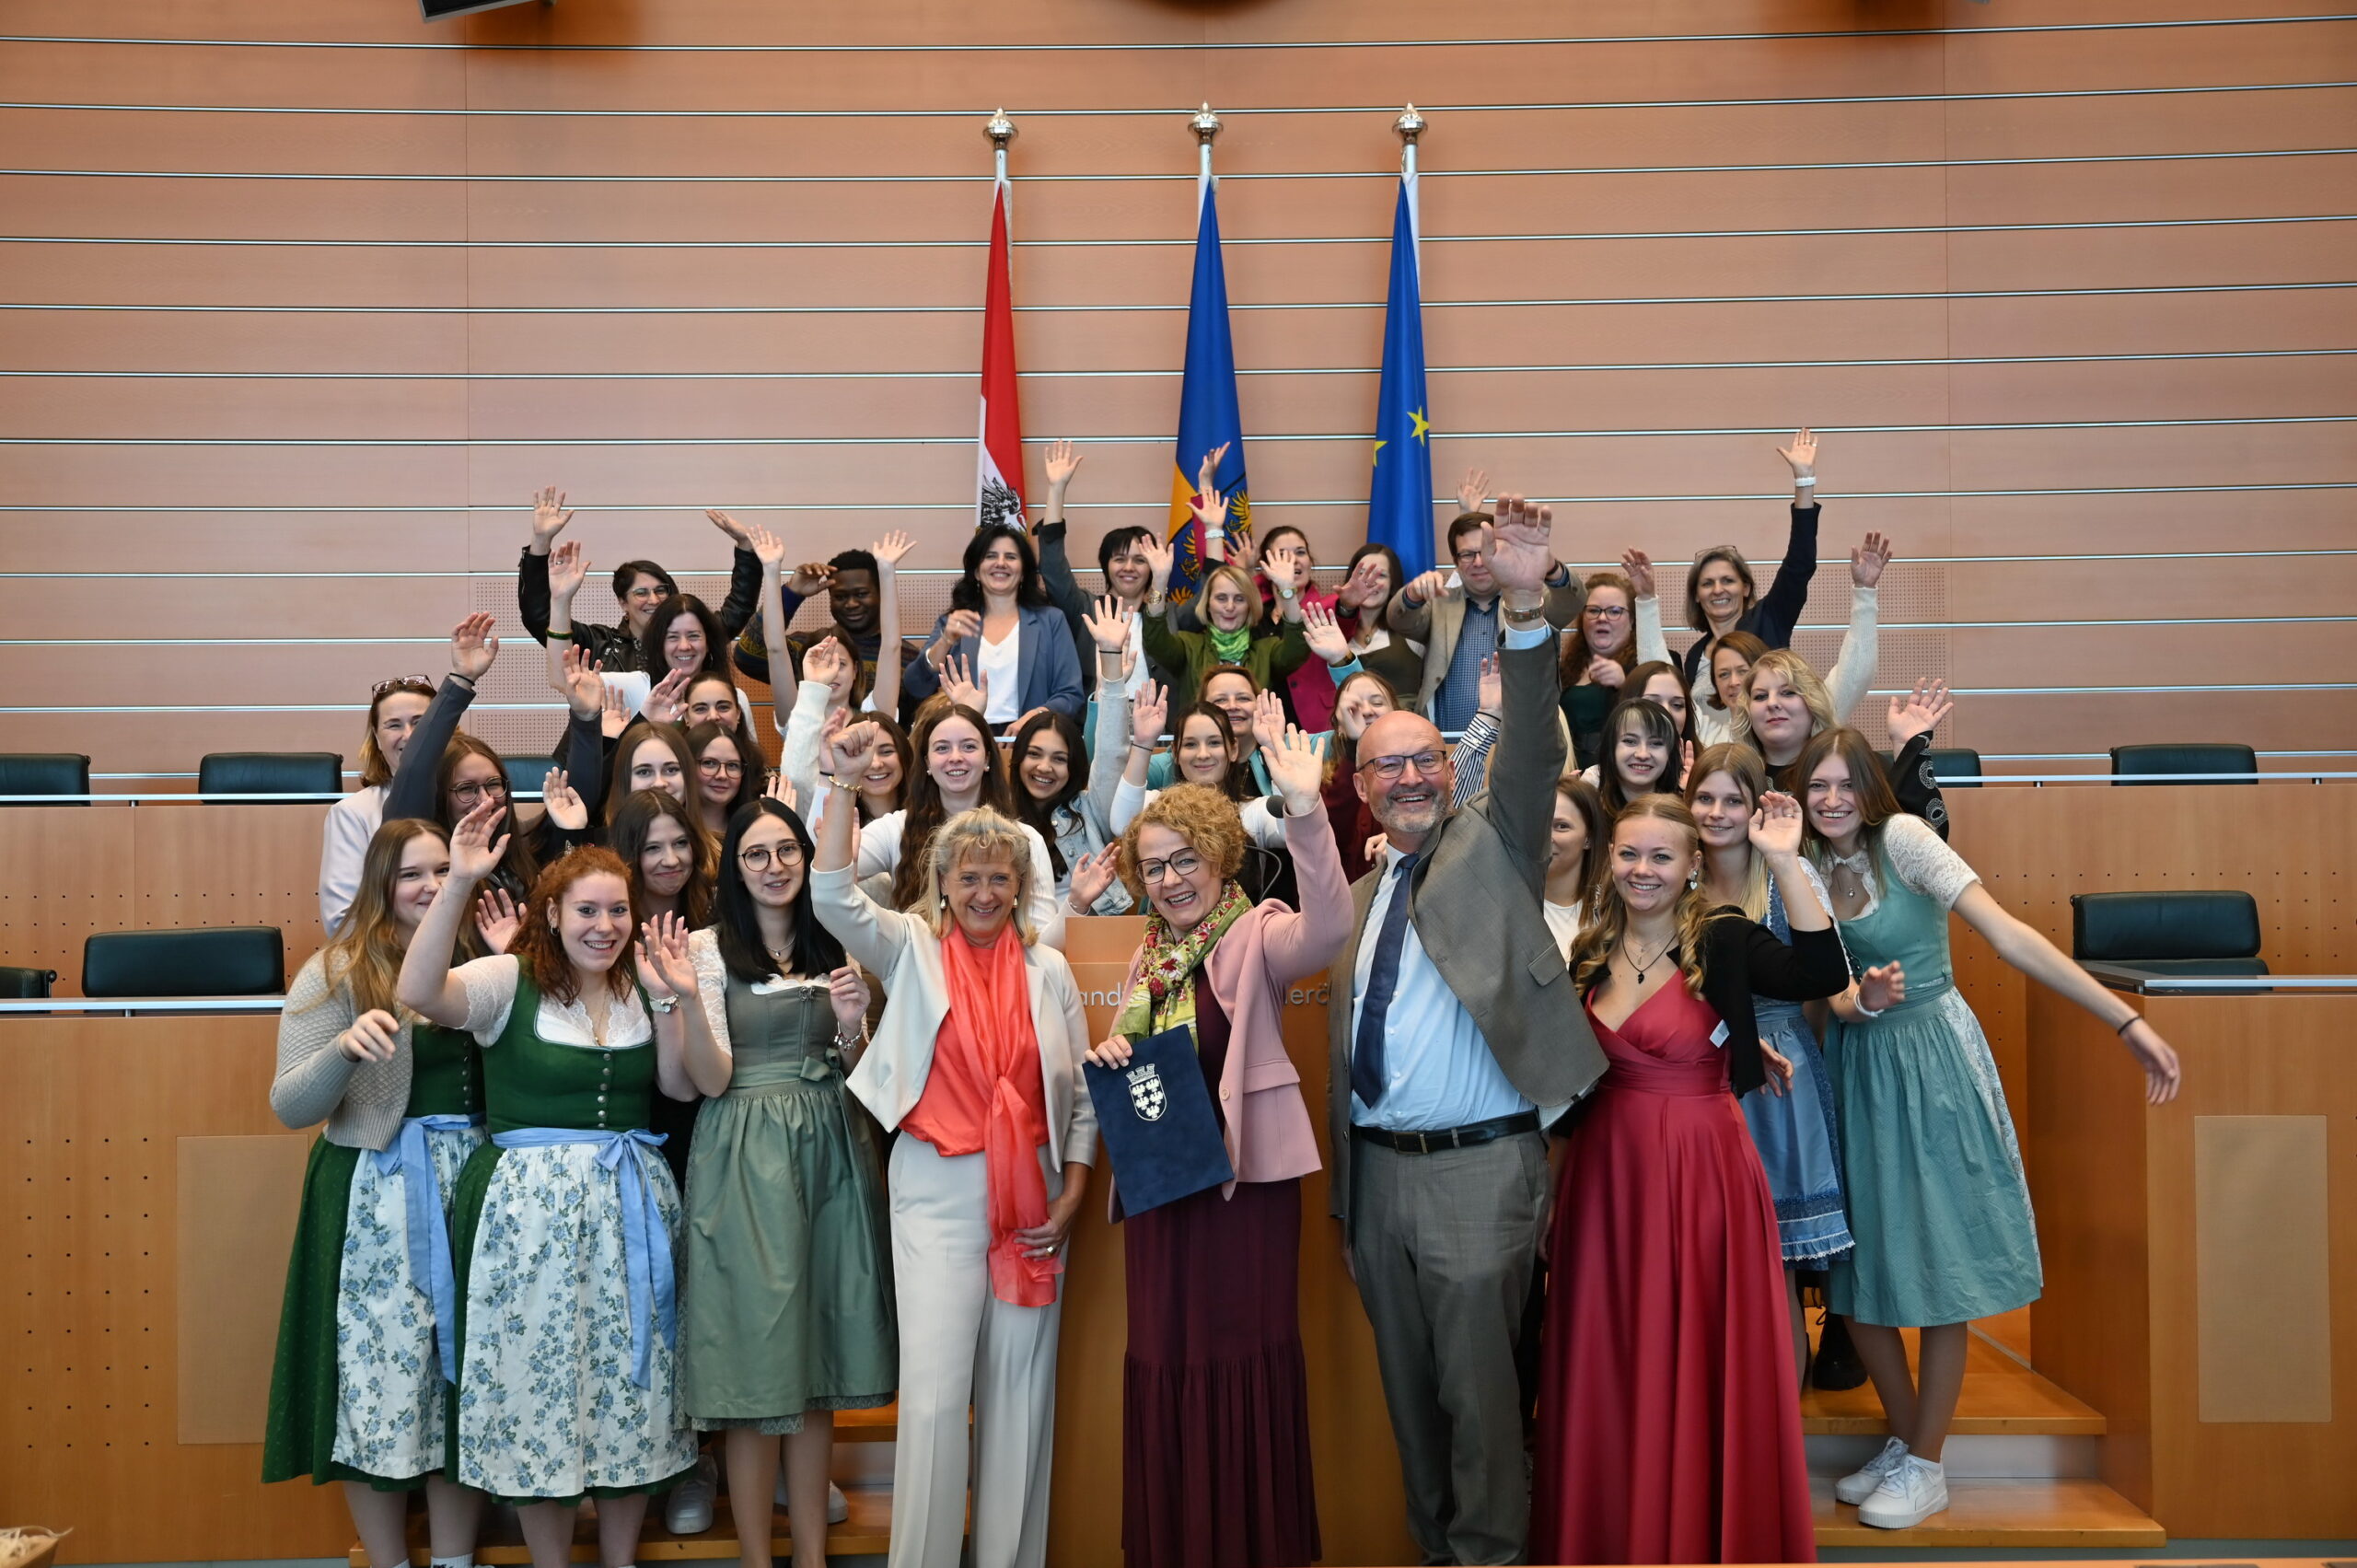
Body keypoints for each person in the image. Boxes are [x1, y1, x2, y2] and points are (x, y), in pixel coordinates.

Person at [1796, 726, 2183, 1529]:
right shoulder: (1801, 862)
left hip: (1934, 1063)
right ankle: (1910, 1443)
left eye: (1842, 784)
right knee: (1859, 1281)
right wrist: (1851, 1003)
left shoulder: (1904, 838)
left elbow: (2008, 935)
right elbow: (1820, 990)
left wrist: (2125, 1022)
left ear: (1869, 788)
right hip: (1859, 1071)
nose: (1829, 800)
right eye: (1815, 786)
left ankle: (1928, 1460)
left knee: (1940, 1267)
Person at [1330, 497, 1607, 1565]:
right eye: (1385, 766)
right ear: (1360, 788)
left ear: (1450, 771)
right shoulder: (1361, 893)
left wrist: (1528, 610)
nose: (1405, 778)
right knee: (1415, 1420)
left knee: (1486, 1419)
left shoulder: (1492, 847)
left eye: (1423, 762)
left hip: (1479, 1179)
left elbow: (1530, 746)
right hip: (1377, 1186)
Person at [1533, 794, 1853, 1565]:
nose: (1644, 870)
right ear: (1609, 858)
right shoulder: (1585, 948)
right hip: (1606, 1180)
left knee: (1704, 1356)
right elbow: (1568, 1088)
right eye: (1630, 853)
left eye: (1662, 856)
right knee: (1609, 1366)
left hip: (1705, 1178)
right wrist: (1551, 1194)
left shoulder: (1725, 936)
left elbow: (1820, 968)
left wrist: (1781, 858)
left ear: (1691, 866)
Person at [808, 729, 1097, 1568]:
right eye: (966, 876)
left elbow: (1078, 1097)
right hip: (934, 1187)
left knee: (1019, 1396)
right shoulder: (910, 946)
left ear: (1019, 887)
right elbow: (830, 893)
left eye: (997, 878)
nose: (981, 891)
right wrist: (841, 784)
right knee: (934, 1403)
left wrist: (1074, 1192)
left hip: (1036, 1196)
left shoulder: (1051, 972)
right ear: (939, 884)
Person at [396, 814, 705, 1568]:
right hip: (528, 1221)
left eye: (618, 910)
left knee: (632, 1392)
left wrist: (674, 1003)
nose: (605, 926)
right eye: (588, 910)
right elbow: (418, 989)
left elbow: (674, 1085)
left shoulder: (642, 986)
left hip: (629, 1207)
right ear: (553, 915)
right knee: (539, 1392)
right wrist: (461, 878)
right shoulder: (510, 981)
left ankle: (620, 1558)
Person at [1080, 725, 1345, 1568]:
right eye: (1153, 866)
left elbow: (1329, 930)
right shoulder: (1147, 960)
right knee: (1164, 1359)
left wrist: (1304, 810)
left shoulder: (1256, 932)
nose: (1169, 879)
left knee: (1240, 1362)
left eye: (1184, 859)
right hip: (1164, 1194)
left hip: (1244, 1195)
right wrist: (1112, 1052)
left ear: (1221, 857)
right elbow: (1141, 1067)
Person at [678, 799, 896, 1568]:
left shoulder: (836, 938)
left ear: (808, 858)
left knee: (817, 1361)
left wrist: (850, 1020)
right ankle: (754, 1557)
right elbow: (705, 1081)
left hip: (833, 1149)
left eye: (787, 851)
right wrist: (679, 999)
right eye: (756, 855)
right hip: (742, 1151)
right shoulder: (704, 950)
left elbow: (863, 1070)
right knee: (754, 1361)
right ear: (734, 868)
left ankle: (810, 1555)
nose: (774, 867)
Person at [265, 819, 486, 1568]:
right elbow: (291, 1103)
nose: (428, 886)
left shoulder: (488, 958)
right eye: (412, 874)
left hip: (471, 1194)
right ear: (381, 884)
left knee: (460, 1378)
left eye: (439, 870)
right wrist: (340, 1048)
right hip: (374, 1192)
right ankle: (389, 1560)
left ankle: (455, 1559)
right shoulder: (334, 970)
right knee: (377, 1382)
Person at [1688, 744, 1875, 1373]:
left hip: (1779, 1083)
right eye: (1704, 797)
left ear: (1754, 808)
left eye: (1732, 799)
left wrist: (1785, 856)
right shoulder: (1675, 876)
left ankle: (1780, 1445)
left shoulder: (1782, 877)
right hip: (1696, 1073)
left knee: (1777, 1278)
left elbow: (1827, 981)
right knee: (1709, 1272)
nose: (1716, 812)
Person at [839, 702, 1063, 948]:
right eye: (942, 748)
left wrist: (1076, 905)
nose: (956, 757)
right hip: (920, 979)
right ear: (926, 762)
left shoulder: (1025, 838)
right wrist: (838, 774)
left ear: (987, 757)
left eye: (968, 746)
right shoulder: (896, 829)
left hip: (1001, 979)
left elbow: (1040, 943)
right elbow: (827, 881)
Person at [1385, 505, 1586, 732]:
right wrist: (1412, 595)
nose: (1479, 562)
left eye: (1484, 551)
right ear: (1455, 561)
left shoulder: (1527, 601)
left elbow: (1572, 601)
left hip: (1514, 742)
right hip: (1447, 743)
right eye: (1467, 555)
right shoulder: (1439, 603)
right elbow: (1398, 620)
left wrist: (1551, 568)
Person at [519, 487, 762, 673]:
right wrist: (540, 543)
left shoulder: (692, 639)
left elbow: (739, 607)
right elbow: (539, 618)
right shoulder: (599, 644)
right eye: (641, 592)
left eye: (660, 590)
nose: (653, 599)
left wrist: (745, 548)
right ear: (623, 602)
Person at [1678, 429, 1824, 690]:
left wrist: (1804, 481)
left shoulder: (1770, 619)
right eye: (1707, 583)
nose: (1718, 590)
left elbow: (1799, 565)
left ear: (1745, 588)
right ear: (1696, 594)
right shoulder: (1694, 657)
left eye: (1728, 580)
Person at [1747, 653, 1953, 834]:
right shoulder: (1735, 776)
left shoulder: (1857, 764)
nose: (1772, 703)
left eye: (1788, 692)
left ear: (1812, 702)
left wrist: (1906, 749)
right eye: (1760, 696)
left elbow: (1930, 836)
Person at [903, 522, 1084, 725]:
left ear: (1024, 572)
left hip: (1030, 740)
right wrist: (945, 641)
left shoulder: (1051, 621)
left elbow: (1071, 694)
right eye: (990, 556)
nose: (1001, 563)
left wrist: (1036, 717)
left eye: (1011, 557)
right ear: (976, 572)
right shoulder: (954, 622)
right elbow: (916, 685)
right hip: (967, 740)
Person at [1031, 439, 1165, 704]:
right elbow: (1053, 570)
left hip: (1160, 728)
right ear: (1106, 565)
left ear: (1152, 567)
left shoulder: (1169, 616)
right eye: (1119, 559)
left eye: (1140, 560)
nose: (1129, 568)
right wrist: (1056, 489)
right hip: (1095, 724)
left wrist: (1213, 529)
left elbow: (1214, 596)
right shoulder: (1085, 608)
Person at [1008, 670, 1132, 916]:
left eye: (1059, 759)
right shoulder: (996, 818)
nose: (1044, 767)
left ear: (1072, 767)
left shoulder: (1088, 813)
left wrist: (1112, 677)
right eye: (1034, 754)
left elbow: (1111, 755)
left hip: (1084, 944)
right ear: (1018, 758)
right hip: (1013, 947)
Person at [321, 673, 436, 935]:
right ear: (376, 736)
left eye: (420, 722)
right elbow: (343, 921)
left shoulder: (470, 800)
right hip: (389, 966)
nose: (409, 735)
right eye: (394, 725)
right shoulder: (352, 814)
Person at [1556, 568, 1638, 769]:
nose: (1602, 618)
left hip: (1619, 772)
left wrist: (1626, 684)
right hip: (1568, 773)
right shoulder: (1564, 668)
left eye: (1614, 611)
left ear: (1632, 621)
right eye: (1593, 610)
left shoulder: (1645, 664)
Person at [1332, 542, 1422, 707]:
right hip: (1348, 730)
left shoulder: (1411, 627)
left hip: (1404, 728)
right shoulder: (1335, 632)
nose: (1370, 581)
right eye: (1362, 574)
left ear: (1392, 584)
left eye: (1380, 575)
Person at [1595, 694, 1688, 814]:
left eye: (1656, 743)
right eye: (1630, 741)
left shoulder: (1685, 812)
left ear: (1670, 753)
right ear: (1611, 748)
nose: (1643, 754)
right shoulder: (1589, 814)